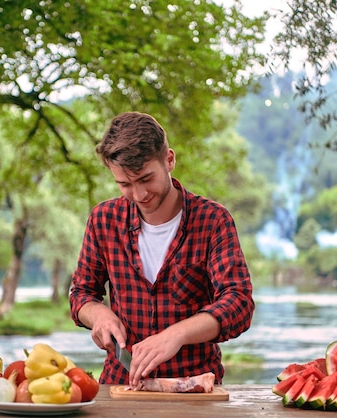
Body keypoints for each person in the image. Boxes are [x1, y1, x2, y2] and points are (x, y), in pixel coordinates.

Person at [69, 112, 255, 387]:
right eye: (125, 184)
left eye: (146, 179)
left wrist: (177, 334)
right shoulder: (103, 220)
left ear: (169, 160)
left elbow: (239, 303)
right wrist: (98, 315)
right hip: (120, 386)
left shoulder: (213, 220)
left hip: (194, 389)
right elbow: (81, 293)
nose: (139, 195)